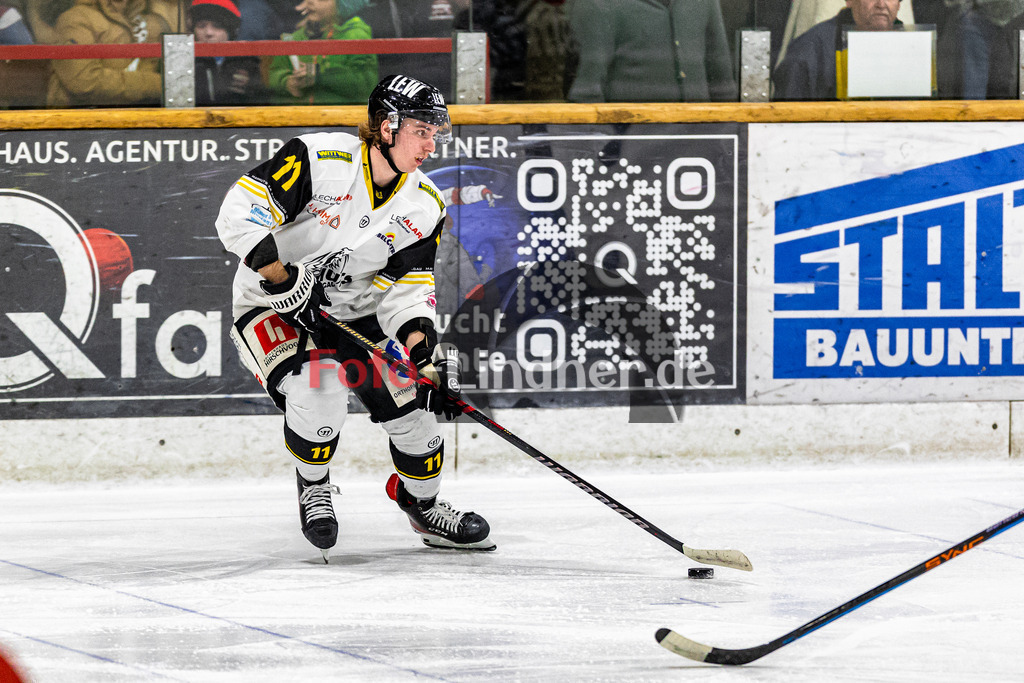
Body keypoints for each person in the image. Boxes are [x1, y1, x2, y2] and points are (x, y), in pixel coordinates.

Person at [215, 74, 494, 561]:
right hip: (271, 307)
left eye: (435, 133)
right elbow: (237, 215)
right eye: (421, 131)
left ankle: (423, 507)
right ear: (387, 126)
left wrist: (423, 355)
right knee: (318, 388)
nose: (431, 144)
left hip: (354, 317)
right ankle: (314, 484)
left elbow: (409, 288)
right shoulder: (319, 159)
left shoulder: (425, 205)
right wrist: (284, 281)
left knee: (419, 419)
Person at [567, 0, 736, 103]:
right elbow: (586, 91)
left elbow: (722, 80)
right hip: (629, 146)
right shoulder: (598, 4)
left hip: (704, 139)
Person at [45, 0, 169, 107]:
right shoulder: (76, 19)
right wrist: (158, 84)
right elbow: (85, 82)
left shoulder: (149, 22)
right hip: (83, 121)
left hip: (140, 117)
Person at [772, 0, 903, 100]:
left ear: (899, 5)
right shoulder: (808, 50)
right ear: (849, 1)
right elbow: (788, 125)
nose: (881, 4)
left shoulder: (915, 47)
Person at [267, 0, 377, 104]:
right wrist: (286, 82)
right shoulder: (294, 38)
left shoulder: (355, 36)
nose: (310, 2)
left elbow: (366, 83)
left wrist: (321, 74)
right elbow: (273, 73)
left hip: (340, 119)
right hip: (297, 118)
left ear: (342, 5)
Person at [189, 0, 265, 104]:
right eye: (201, 26)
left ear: (230, 31)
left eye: (217, 26)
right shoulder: (186, 60)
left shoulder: (246, 61)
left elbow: (261, 100)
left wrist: (250, 88)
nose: (209, 33)